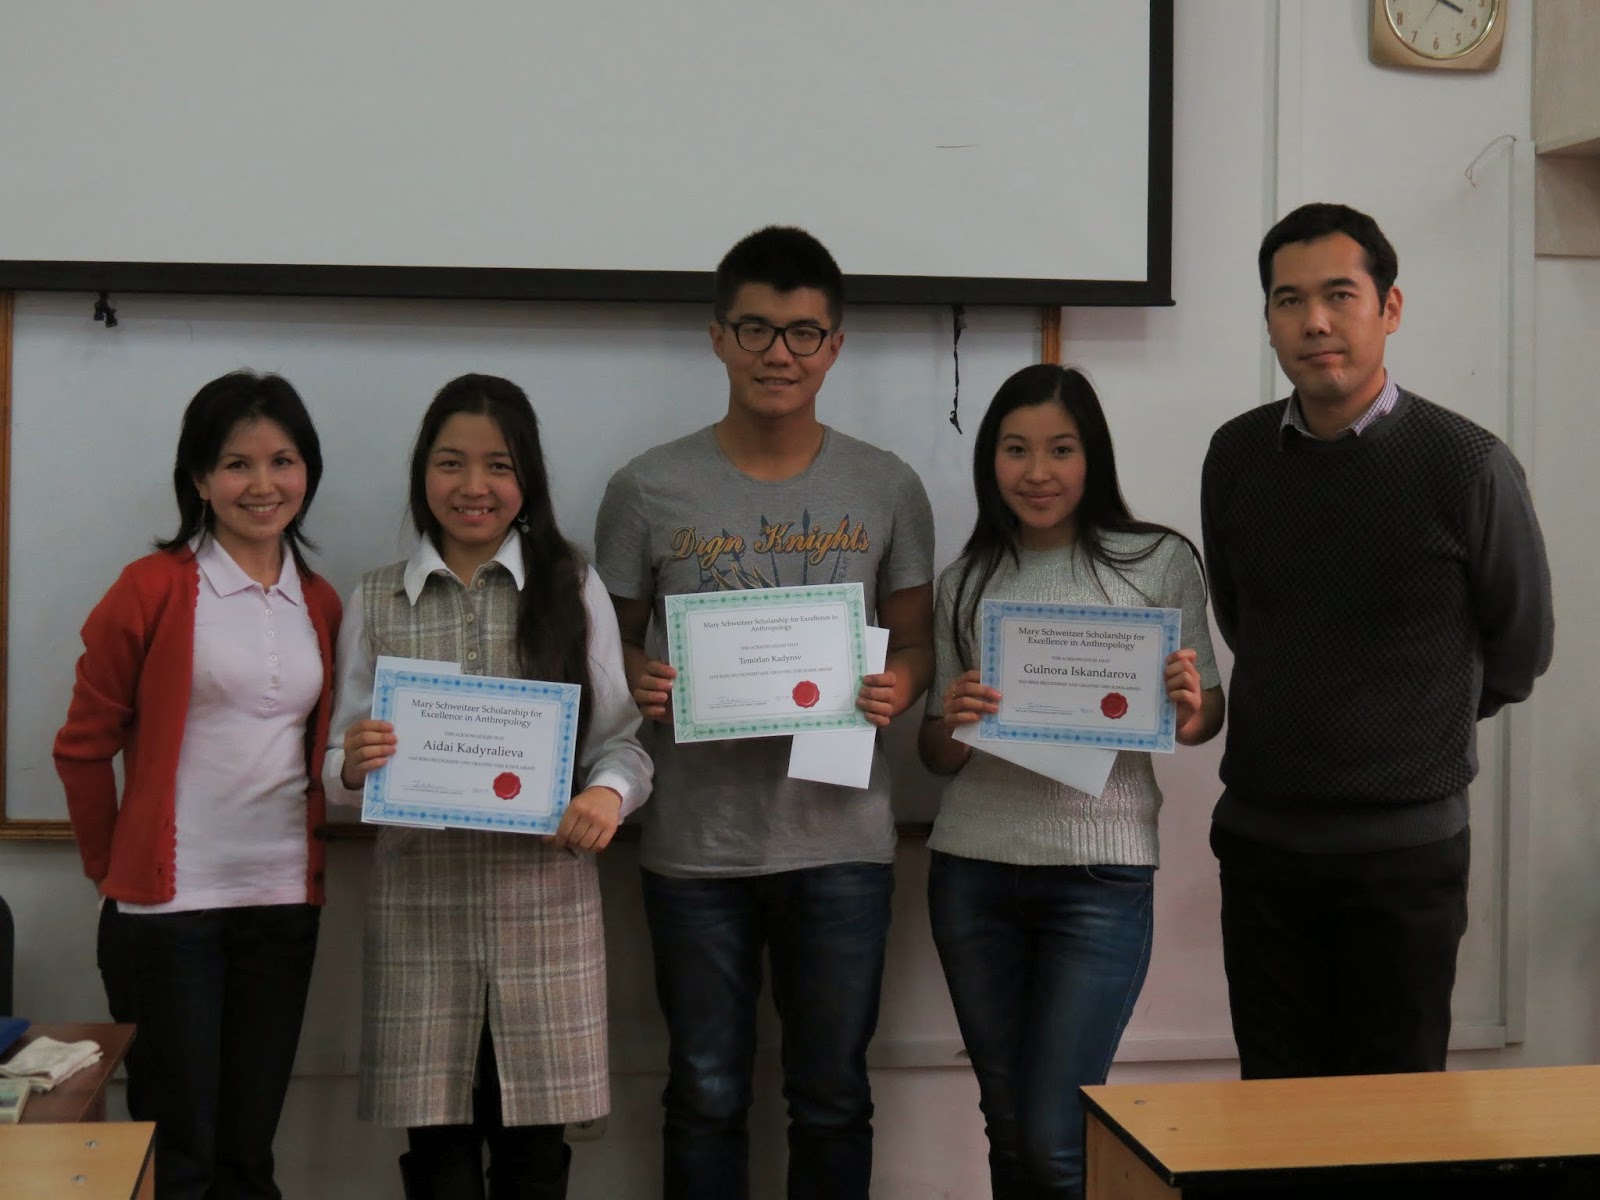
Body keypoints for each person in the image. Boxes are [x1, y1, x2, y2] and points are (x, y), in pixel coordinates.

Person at [594, 225, 935, 1199]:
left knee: (832, 1098)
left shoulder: (887, 485)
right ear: (717, 337)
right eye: (754, 330)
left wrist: (900, 684)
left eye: (802, 333)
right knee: (704, 1093)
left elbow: (917, 643)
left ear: (834, 346)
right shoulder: (646, 487)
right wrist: (638, 677)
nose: (778, 354)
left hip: (843, 845)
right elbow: (604, 644)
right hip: (695, 849)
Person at [1201, 202, 1554, 1080]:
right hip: (1262, 846)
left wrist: (1415, 719)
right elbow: (1245, 618)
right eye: (1288, 300)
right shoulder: (1236, 454)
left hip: (1406, 854)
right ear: (1269, 319)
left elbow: (1520, 647)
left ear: (1389, 308)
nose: (1314, 322)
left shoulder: (1466, 462)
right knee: (1273, 1104)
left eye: (1339, 295)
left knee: (1395, 1113)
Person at [326, 374, 651, 1200]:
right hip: (418, 919)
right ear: (422, 474)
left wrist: (606, 795)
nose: (474, 486)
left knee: (534, 1160)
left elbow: (622, 745)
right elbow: (337, 769)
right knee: (436, 1162)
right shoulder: (375, 597)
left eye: (498, 465)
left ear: (527, 478)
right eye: (451, 463)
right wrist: (351, 765)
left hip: (544, 916)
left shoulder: (570, 585)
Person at [919, 363, 1224, 1200]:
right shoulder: (964, 582)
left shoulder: (1157, 561)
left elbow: (1204, 717)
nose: (1038, 471)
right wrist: (954, 717)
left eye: (1061, 449)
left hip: (1100, 877)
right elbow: (936, 755)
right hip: (973, 871)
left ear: (1093, 458)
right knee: (1008, 1126)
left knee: (1056, 1143)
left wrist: (1189, 704)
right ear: (990, 460)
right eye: (1015, 449)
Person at [54, 371, 340, 1200]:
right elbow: (81, 748)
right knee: (181, 1158)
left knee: (249, 1158)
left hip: (283, 900)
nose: (262, 484)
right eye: (236, 464)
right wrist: (112, 871)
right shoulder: (150, 588)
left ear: (308, 472)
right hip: (168, 911)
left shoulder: (321, 601)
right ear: (199, 480)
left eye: (282, 461)